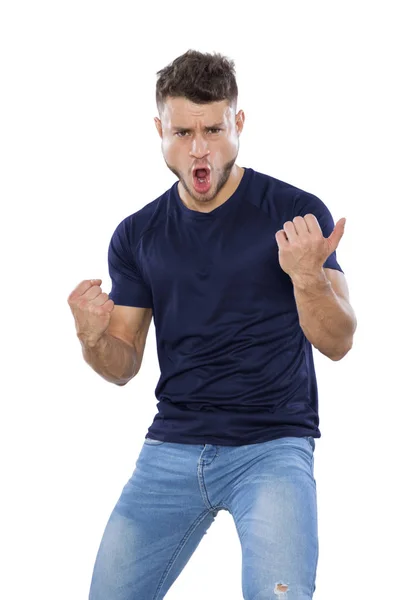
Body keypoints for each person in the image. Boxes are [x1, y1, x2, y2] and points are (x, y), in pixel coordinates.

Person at [68, 49, 357, 600]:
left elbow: (339, 342)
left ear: (237, 124)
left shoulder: (296, 215)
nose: (198, 148)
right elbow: (122, 362)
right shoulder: (137, 234)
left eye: (212, 129)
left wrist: (308, 279)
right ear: (159, 129)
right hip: (172, 446)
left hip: (272, 446)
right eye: (181, 132)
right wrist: (91, 337)